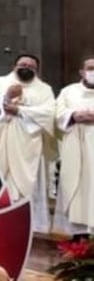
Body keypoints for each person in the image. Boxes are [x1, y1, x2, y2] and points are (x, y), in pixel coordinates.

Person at [0, 54, 55, 234]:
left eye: (31, 66)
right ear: (14, 66)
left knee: (25, 191)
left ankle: (26, 229)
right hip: (1, 142)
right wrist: (6, 96)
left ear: (36, 70)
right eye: (23, 64)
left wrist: (20, 110)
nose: (27, 68)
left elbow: (49, 114)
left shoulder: (44, 89)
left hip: (27, 147)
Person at [53, 55, 94, 238]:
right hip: (75, 149)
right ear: (82, 72)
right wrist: (74, 115)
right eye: (91, 68)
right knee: (76, 189)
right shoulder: (68, 92)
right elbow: (57, 115)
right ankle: (79, 238)